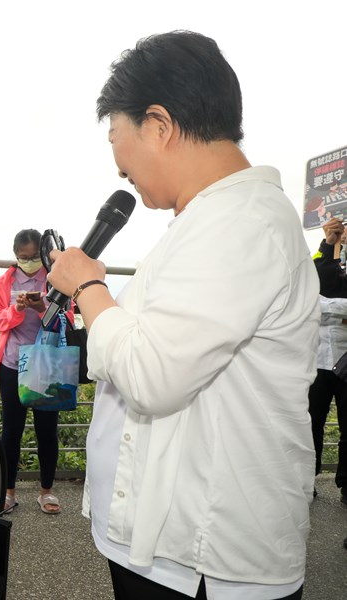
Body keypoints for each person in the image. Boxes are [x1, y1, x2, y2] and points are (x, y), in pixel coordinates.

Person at [46, 31, 319, 599]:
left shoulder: (241, 221)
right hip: (168, 548)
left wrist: (89, 286)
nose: (121, 170)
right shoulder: (211, 220)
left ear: (160, 124)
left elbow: (153, 375)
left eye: (119, 141)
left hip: (203, 559)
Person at [0, 229, 67, 515]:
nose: (30, 262)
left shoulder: (56, 277)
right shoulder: (5, 281)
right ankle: (8, 492)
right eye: (24, 257)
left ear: (43, 254)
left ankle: (46, 491)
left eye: (34, 257)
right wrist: (16, 311)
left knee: (47, 429)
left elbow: (67, 317)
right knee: (12, 430)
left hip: (47, 361)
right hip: (12, 363)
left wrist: (43, 306)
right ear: (16, 256)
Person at [309, 217, 347, 504]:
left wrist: (325, 308)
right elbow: (310, 302)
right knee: (310, 422)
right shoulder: (320, 258)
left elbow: (321, 305)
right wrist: (329, 246)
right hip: (318, 358)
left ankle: (346, 485)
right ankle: (306, 479)